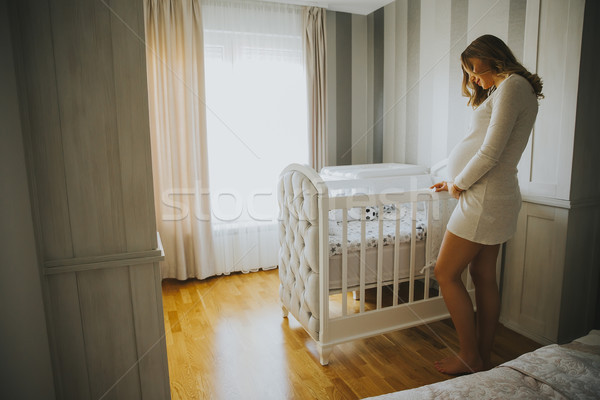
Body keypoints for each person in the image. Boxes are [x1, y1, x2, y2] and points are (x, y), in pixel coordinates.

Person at [430, 34, 543, 375]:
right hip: (490, 194)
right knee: (482, 275)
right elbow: (490, 147)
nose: (473, 79)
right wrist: (453, 181)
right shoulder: (510, 88)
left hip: (484, 198)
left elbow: (491, 152)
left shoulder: (511, 86)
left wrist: (460, 184)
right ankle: (482, 357)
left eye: (473, 70)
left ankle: (469, 356)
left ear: (490, 57)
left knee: (445, 272)